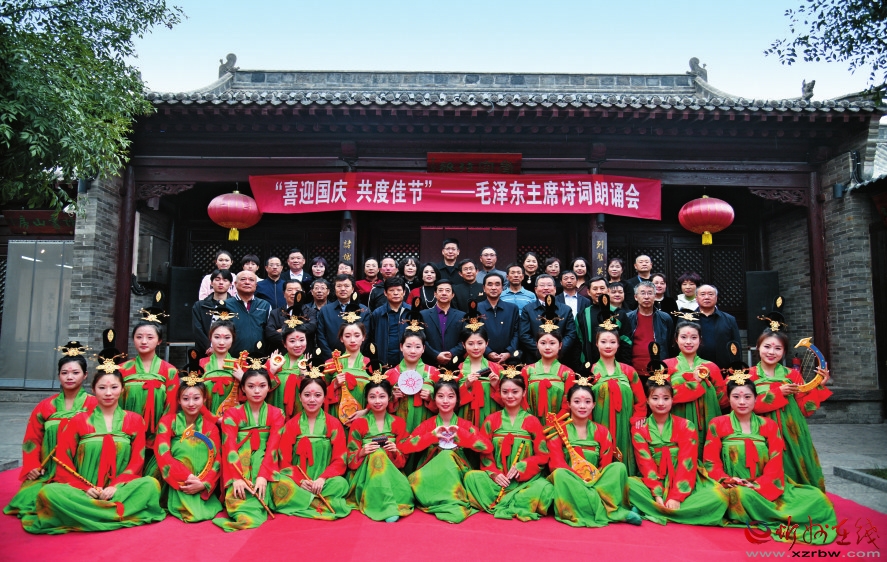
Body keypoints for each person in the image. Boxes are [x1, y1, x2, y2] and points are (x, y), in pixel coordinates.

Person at [21, 367, 165, 534]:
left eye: (114, 387)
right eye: (102, 388)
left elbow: (137, 461)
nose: (108, 393)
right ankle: (113, 513)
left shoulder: (135, 420)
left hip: (119, 490)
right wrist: (83, 487)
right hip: (84, 491)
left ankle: (86, 514)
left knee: (150, 485)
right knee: (49, 492)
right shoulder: (78, 420)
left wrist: (115, 487)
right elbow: (63, 459)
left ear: (122, 389)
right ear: (93, 390)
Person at [703, 376, 837, 544]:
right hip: (733, 485)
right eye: (736, 397)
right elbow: (710, 461)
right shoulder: (717, 423)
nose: (742, 402)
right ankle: (767, 512)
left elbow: (775, 461)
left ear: (756, 399)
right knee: (739, 495)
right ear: (728, 399)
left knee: (816, 497)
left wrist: (759, 485)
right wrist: (728, 480)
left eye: (747, 397)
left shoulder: (768, 425)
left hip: (766, 485)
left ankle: (765, 509)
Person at [4, 346, 97, 518]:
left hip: (84, 469)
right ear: (58, 376)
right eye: (64, 373)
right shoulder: (45, 406)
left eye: (75, 373)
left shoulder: (95, 404)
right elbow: (32, 439)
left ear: (85, 375)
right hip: (50, 470)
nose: (69, 377)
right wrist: (32, 465)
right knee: (26, 499)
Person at [627, 375, 728, 526]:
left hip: (686, 482)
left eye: (666, 398)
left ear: (672, 400)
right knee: (628, 484)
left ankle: (651, 509)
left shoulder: (686, 425)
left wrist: (676, 496)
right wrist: (657, 494)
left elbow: (687, 463)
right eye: (655, 398)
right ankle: (667, 508)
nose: (661, 403)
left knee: (719, 497)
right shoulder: (639, 429)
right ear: (647, 400)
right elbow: (645, 465)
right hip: (654, 482)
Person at [548, 379, 641, 527]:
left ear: (594, 405)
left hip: (596, 479)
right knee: (560, 474)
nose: (582, 406)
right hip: (570, 481)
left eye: (587, 402)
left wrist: (592, 480)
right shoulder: (557, 430)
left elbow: (605, 464)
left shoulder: (602, 431)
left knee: (618, 468)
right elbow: (557, 463)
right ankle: (613, 512)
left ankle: (591, 503)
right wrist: (581, 479)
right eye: (577, 401)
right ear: (569, 404)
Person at [463, 372, 553, 521]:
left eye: (515, 392)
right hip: (498, 481)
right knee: (471, 478)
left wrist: (523, 466)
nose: (510, 396)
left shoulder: (532, 421)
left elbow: (542, 455)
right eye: (505, 392)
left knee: (546, 489)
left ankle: (508, 500)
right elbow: (485, 454)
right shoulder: (491, 420)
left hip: (525, 482)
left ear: (524, 392)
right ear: (500, 392)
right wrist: (494, 474)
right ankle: (515, 501)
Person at [749, 328, 831, 490]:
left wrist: (818, 386)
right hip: (759, 430)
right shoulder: (747, 375)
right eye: (767, 346)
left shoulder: (792, 376)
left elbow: (805, 409)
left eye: (778, 348)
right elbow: (744, 406)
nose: (771, 352)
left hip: (791, 432)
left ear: (784, 352)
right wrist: (778, 393)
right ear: (758, 347)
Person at [401, 378, 493, 523]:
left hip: (457, 475)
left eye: (450, 396)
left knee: (447, 455)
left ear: (457, 400)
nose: (445, 401)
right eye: (440, 396)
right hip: (432, 475)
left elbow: (487, 447)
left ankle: (450, 500)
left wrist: (463, 435)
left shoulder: (464, 425)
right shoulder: (428, 425)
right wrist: (431, 436)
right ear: (434, 399)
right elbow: (405, 447)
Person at [272, 374, 352, 520]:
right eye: (307, 395)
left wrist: (322, 479)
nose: (312, 399)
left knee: (342, 484)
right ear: (300, 397)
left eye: (317, 395)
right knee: (279, 484)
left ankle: (304, 501)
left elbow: (340, 459)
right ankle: (319, 501)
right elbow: (284, 461)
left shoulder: (333, 423)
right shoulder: (291, 425)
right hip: (298, 482)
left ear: (324, 397)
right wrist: (300, 481)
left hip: (325, 482)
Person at [214, 368, 285, 531]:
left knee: (283, 488)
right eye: (251, 386)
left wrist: (263, 476)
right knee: (238, 493)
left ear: (269, 387)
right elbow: (229, 446)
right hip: (238, 464)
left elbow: (273, 447)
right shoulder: (232, 414)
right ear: (243, 388)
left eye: (262, 386)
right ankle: (246, 512)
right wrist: (237, 478)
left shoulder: (277, 413)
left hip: (267, 463)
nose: (257, 391)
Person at [153, 360, 223, 523]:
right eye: (185, 399)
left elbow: (217, 459)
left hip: (201, 478)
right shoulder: (167, 422)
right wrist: (186, 476)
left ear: (204, 399)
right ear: (178, 400)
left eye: (196, 398)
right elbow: (163, 453)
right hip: (175, 477)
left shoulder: (211, 427)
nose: (191, 404)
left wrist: (204, 483)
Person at [345, 378, 414, 522]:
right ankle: (387, 507)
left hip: (391, 474)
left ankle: (385, 503)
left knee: (380, 454)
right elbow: (350, 459)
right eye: (372, 397)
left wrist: (395, 451)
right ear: (366, 399)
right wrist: (362, 452)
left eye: (382, 396)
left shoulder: (398, 423)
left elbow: (402, 461)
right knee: (377, 454)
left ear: (389, 398)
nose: (377, 401)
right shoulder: (359, 423)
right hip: (365, 474)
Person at [119, 318, 179, 479]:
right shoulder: (122, 370)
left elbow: (171, 406)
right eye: (139, 337)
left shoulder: (169, 370)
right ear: (133, 339)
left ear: (159, 341)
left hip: (157, 433)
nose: (144, 341)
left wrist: (162, 432)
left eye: (150, 337)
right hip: (127, 431)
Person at [664, 321, 726, 456]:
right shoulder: (666, 366)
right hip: (678, 421)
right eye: (683, 337)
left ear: (700, 340)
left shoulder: (711, 367)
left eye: (693, 337)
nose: (689, 342)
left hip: (708, 421)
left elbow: (722, 400)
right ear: (676, 339)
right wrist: (694, 382)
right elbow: (663, 397)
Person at [590, 328, 646, 477]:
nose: (608, 346)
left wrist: (638, 418)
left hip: (625, 422)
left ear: (618, 345)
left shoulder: (628, 371)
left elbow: (640, 400)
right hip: (599, 422)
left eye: (612, 342)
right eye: (603, 342)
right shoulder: (590, 371)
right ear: (596, 344)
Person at [384, 329, 438, 433]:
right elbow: (380, 406)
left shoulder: (433, 372)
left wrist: (430, 398)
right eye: (408, 346)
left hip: (426, 425)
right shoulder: (390, 374)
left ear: (423, 349)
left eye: (418, 347)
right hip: (399, 425)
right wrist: (392, 398)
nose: (413, 351)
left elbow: (444, 403)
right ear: (401, 347)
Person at [518, 277, 577, 364]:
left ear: (555, 289)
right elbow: (524, 334)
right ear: (535, 289)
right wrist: (541, 351)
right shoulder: (528, 309)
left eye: (549, 285)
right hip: (535, 358)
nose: (546, 288)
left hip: (560, 358)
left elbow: (571, 334)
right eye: (542, 285)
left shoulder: (566, 309)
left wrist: (557, 351)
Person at [522, 327, 575, 423]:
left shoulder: (567, 373)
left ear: (560, 345)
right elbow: (522, 400)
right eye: (543, 343)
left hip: (558, 424)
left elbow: (567, 404)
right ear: (537, 345)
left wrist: (553, 423)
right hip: (530, 422)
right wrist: (531, 420)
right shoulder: (527, 370)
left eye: (552, 343)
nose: (547, 347)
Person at [456, 324, 503, 425]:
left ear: (487, 343)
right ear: (463, 345)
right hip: (466, 415)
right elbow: (451, 400)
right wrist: (466, 385)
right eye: (470, 344)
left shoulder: (497, 369)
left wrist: (496, 386)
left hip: (491, 415)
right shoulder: (458, 369)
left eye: (480, 343)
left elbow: (508, 400)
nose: (476, 347)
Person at [316, 275, 370, 361]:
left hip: (356, 359)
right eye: (339, 286)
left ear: (352, 289)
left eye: (346, 286)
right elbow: (321, 336)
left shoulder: (364, 310)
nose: (343, 289)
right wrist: (332, 358)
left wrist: (354, 355)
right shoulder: (325, 310)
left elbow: (366, 336)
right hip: (331, 359)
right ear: (334, 289)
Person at [326, 321, 372, 422]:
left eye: (357, 335)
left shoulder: (371, 365)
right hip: (336, 417)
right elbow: (320, 394)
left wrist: (366, 411)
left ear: (363, 337)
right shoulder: (330, 364)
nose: (352, 340)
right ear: (341, 338)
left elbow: (379, 394)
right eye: (347, 336)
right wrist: (334, 385)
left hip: (364, 418)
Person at [577, 283, 632, 366]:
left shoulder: (619, 313)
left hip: (616, 365)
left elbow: (626, 341)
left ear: (608, 291)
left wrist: (623, 365)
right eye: (595, 289)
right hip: (589, 365)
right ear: (588, 292)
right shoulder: (582, 314)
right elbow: (578, 341)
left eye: (602, 288)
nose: (599, 291)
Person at [627, 281, 675, 374]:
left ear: (655, 296)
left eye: (650, 293)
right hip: (634, 371)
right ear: (635, 297)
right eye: (642, 293)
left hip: (660, 370)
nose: (646, 297)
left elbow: (670, 345)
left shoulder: (665, 318)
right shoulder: (628, 318)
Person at [201, 320, 244, 417]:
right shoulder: (201, 363)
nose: (221, 342)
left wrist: (243, 379)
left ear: (233, 339)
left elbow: (251, 394)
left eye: (227, 337)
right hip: (205, 418)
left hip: (233, 418)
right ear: (210, 338)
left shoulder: (240, 364)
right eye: (217, 337)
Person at [266, 325, 310, 419]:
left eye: (302, 340)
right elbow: (260, 389)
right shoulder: (274, 362)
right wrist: (271, 371)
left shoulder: (311, 365)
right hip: (274, 414)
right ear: (284, 343)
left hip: (299, 415)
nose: (298, 345)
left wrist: (304, 375)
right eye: (292, 341)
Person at [420, 279, 466, 367]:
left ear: (453, 295)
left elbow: (465, 340)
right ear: (435, 294)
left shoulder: (462, 316)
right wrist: (435, 355)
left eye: (447, 290)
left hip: (455, 364)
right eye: (440, 290)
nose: (444, 293)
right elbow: (420, 339)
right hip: (429, 364)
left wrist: (452, 353)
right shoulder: (423, 315)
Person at [476, 273, 520, 363]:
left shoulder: (512, 308)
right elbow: (473, 334)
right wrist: (488, 352)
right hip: (483, 359)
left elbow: (517, 333)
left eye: (497, 284)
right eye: (490, 284)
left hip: (510, 360)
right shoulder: (477, 309)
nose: (493, 288)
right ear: (484, 288)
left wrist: (509, 352)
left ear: (502, 288)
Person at [366, 276, 410, 367]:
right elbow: (371, 338)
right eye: (391, 290)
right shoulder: (377, 313)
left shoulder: (411, 312)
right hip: (383, 360)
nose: (395, 293)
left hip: (406, 360)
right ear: (385, 293)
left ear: (404, 292)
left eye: (399, 290)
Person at [696, 284, 741, 368]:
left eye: (710, 294)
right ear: (696, 298)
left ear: (716, 298)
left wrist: (736, 367)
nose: (706, 297)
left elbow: (736, 344)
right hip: (694, 367)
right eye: (702, 294)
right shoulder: (687, 319)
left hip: (723, 367)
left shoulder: (729, 319)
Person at [228, 270, 272, 356]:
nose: (247, 282)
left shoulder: (265, 305)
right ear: (235, 284)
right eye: (243, 279)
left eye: (251, 280)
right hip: (231, 357)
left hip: (259, 357)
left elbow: (269, 331)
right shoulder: (225, 306)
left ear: (256, 285)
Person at [193, 269, 235, 354]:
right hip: (205, 352)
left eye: (225, 280)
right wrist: (209, 347)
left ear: (230, 284)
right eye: (217, 279)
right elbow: (197, 330)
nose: (221, 283)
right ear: (211, 283)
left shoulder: (236, 306)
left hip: (230, 353)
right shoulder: (200, 306)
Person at [264, 281, 311, 353]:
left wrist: (284, 330)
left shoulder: (311, 312)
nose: (293, 293)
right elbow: (270, 333)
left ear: (303, 293)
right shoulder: (275, 313)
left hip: (304, 354)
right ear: (284, 294)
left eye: (297, 290)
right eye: (290, 290)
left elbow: (311, 328)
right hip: (280, 353)